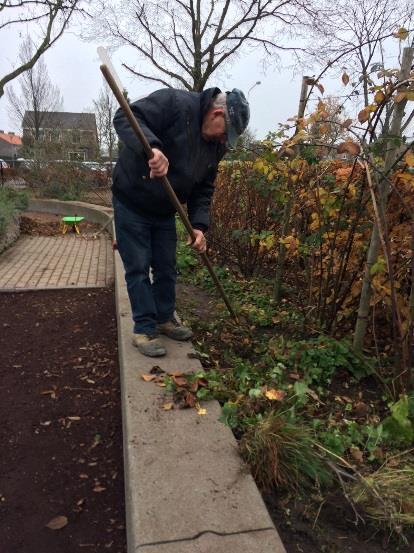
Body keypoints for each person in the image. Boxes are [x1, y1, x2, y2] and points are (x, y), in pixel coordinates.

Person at [112, 86, 250, 357]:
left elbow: (204, 187)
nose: (224, 140)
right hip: (132, 200)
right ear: (217, 113)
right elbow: (126, 117)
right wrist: (152, 147)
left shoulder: (216, 147)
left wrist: (199, 225)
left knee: (166, 266)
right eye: (225, 133)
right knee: (138, 266)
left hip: (164, 208)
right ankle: (144, 329)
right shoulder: (174, 103)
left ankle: (164, 318)